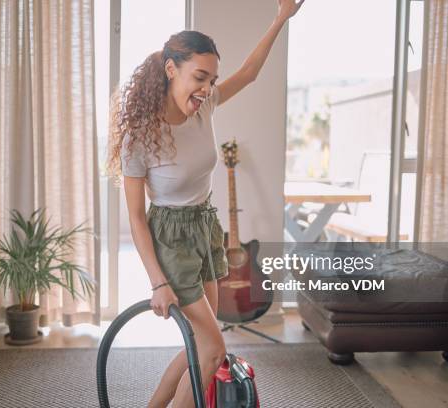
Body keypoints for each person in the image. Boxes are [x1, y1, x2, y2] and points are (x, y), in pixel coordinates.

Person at [107, 1, 305, 406]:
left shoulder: (205, 106)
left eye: (211, 79)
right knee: (213, 349)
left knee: (202, 342)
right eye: (199, 77)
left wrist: (280, 19)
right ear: (170, 69)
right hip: (170, 236)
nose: (207, 88)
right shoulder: (139, 136)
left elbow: (248, 74)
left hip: (206, 228)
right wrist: (158, 282)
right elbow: (136, 218)